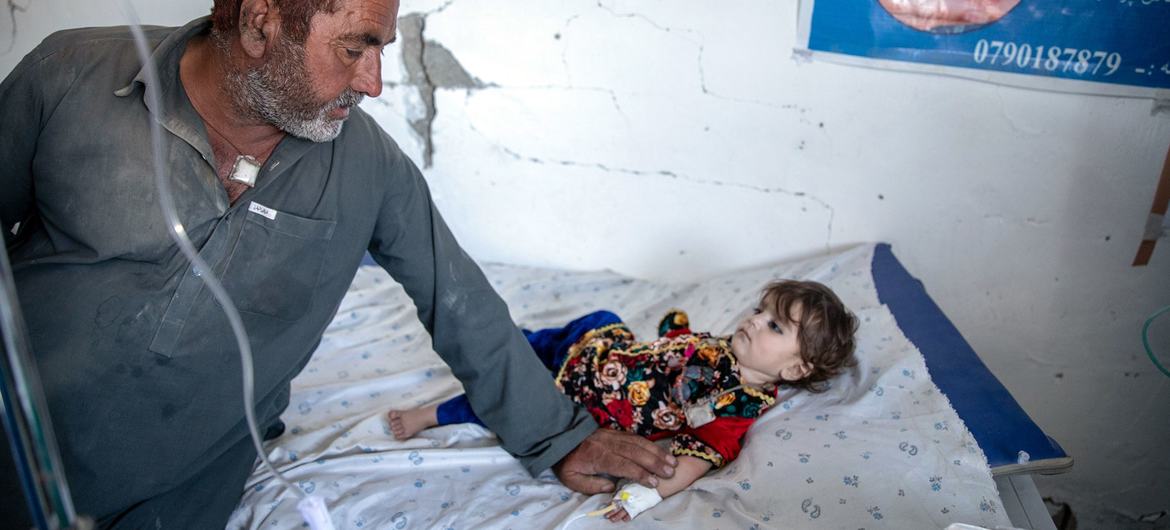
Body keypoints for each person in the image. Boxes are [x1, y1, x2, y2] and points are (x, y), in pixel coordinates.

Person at [0, 0, 674, 527]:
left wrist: (558, 437)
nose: (374, 84)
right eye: (355, 48)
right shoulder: (72, 76)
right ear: (261, 21)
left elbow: (458, 299)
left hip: (178, 481)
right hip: (17, 435)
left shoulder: (369, 168)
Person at [388, 279, 860, 521]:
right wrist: (675, 331)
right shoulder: (732, 348)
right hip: (604, 349)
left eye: (775, 326)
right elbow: (683, 354)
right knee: (570, 328)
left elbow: (694, 461)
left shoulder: (734, 410)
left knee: (512, 394)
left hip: (588, 396)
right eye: (760, 310)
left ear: (796, 369)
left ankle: (430, 414)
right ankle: (505, 342)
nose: (755, 321)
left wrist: (638, 499)